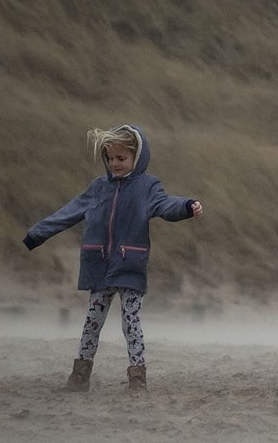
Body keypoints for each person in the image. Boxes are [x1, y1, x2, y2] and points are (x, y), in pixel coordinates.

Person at [23, 124, 203, 392]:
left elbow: (166, 205)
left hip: (130, 265)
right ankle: (80, 377)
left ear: (137, 157)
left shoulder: (147, 187)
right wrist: (36, 235)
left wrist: (187, 206)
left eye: (121, 158)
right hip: (99, 265)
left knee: (131, 323)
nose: (115, 163)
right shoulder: (98, 187)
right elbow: (68, 212)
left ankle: (137, 378)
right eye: (110, 158)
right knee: (92, 323)